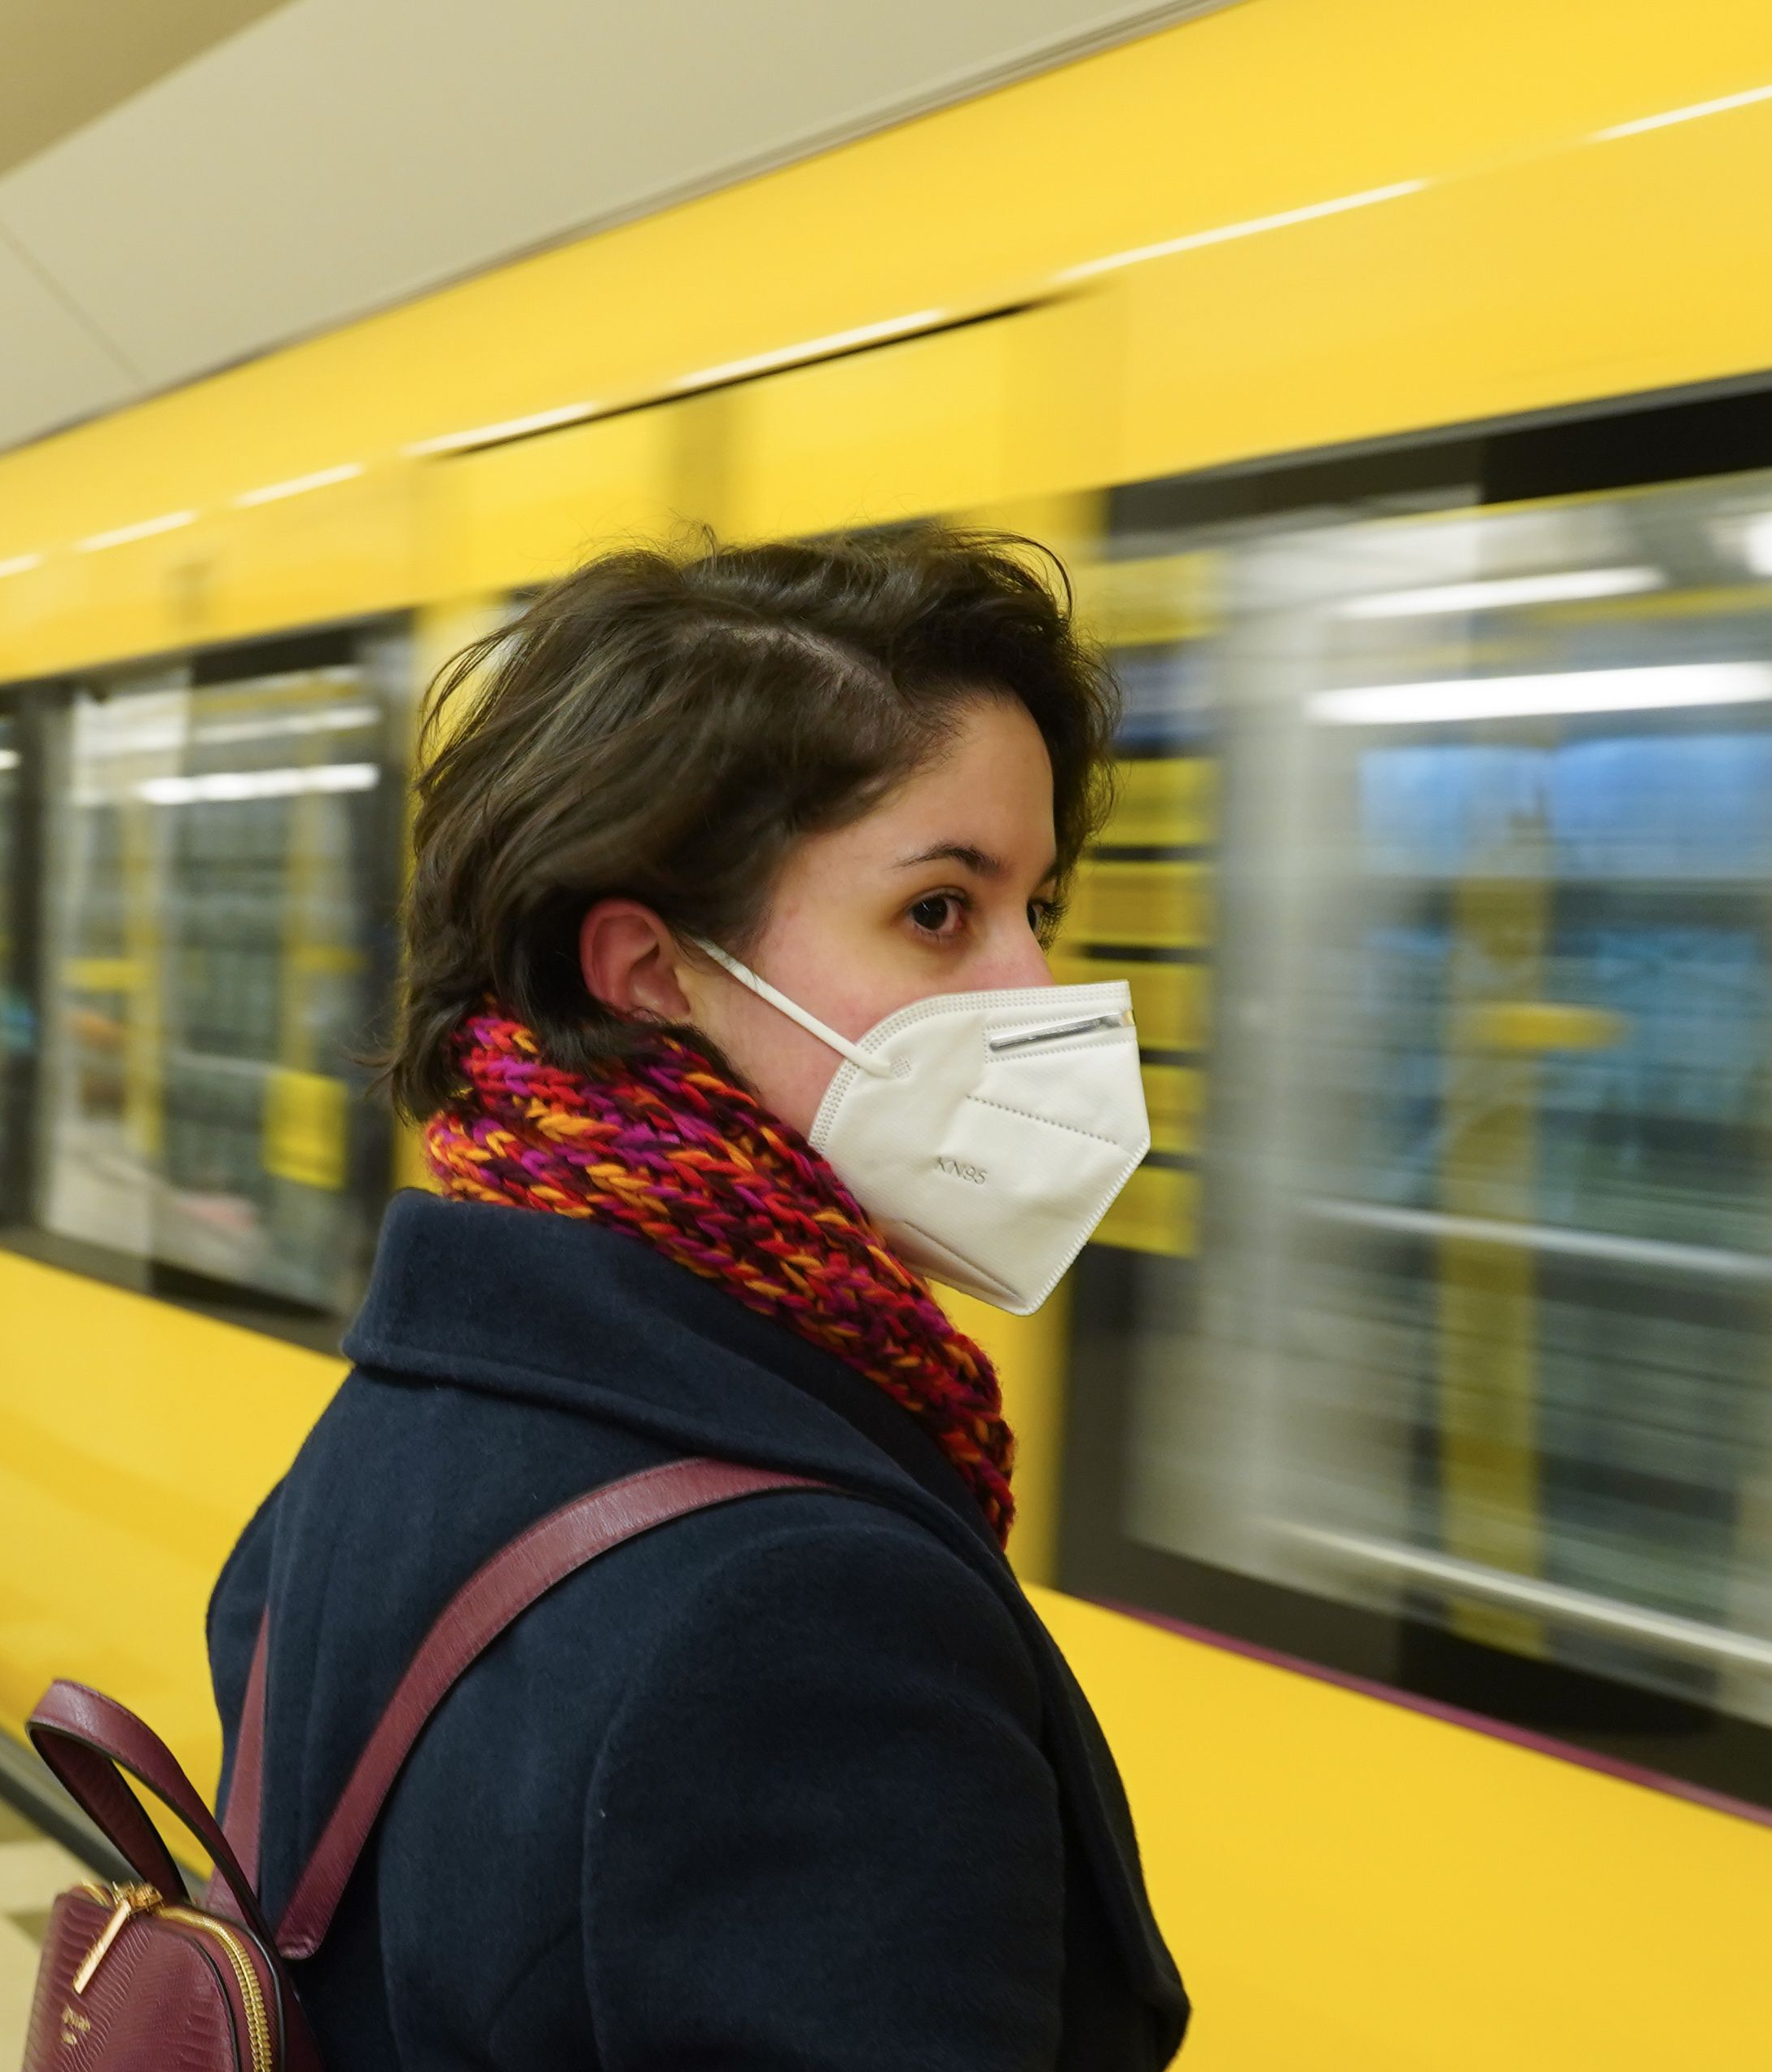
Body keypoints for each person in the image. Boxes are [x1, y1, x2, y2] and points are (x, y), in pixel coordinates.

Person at [204, 529, 1189, 2070]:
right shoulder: (804, 1611)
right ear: (649, 971)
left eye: (1036, 908)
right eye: (940, 911)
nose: (1033, 993)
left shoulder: (397, 1420)